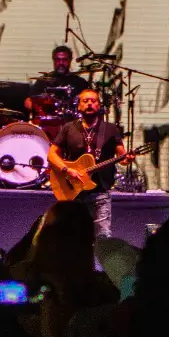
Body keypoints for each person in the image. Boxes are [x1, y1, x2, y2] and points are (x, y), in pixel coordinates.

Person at [48, 89, 129, 238]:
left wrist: (126, 159)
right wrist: (67, 170)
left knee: (103, 239)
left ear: (99, 105)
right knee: (72, 239)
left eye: (94, 101)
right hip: (74, 194)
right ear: (79, 106)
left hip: (100, 194)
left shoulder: (110, 129)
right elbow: (52, 154)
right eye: (86, 101)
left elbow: (122, 156)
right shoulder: (68, 128)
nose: (90, 104)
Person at [26, 45, 90, 113]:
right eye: (58, 60)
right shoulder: (43, 81)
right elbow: (28, 101)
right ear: (53, 60)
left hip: (72, 121)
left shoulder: (80, 83)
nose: (61, 63)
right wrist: (38, 109)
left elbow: (88, 102)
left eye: (64, 60)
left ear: (70, 60)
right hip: (48, 120)